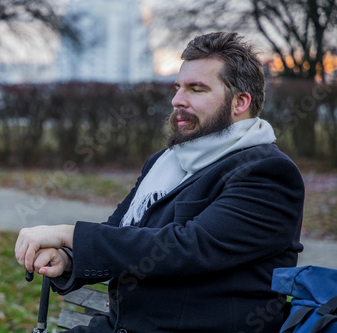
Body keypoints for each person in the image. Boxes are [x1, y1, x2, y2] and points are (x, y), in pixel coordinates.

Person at [15, 32, 305, 333]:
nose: (177, 100)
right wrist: (67, 258)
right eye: (178, 88)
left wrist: (69, 234)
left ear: (240, 102)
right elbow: (118, 232)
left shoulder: (267, 173)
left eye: (196, 89)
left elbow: (188, 248)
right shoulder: (166, 162)